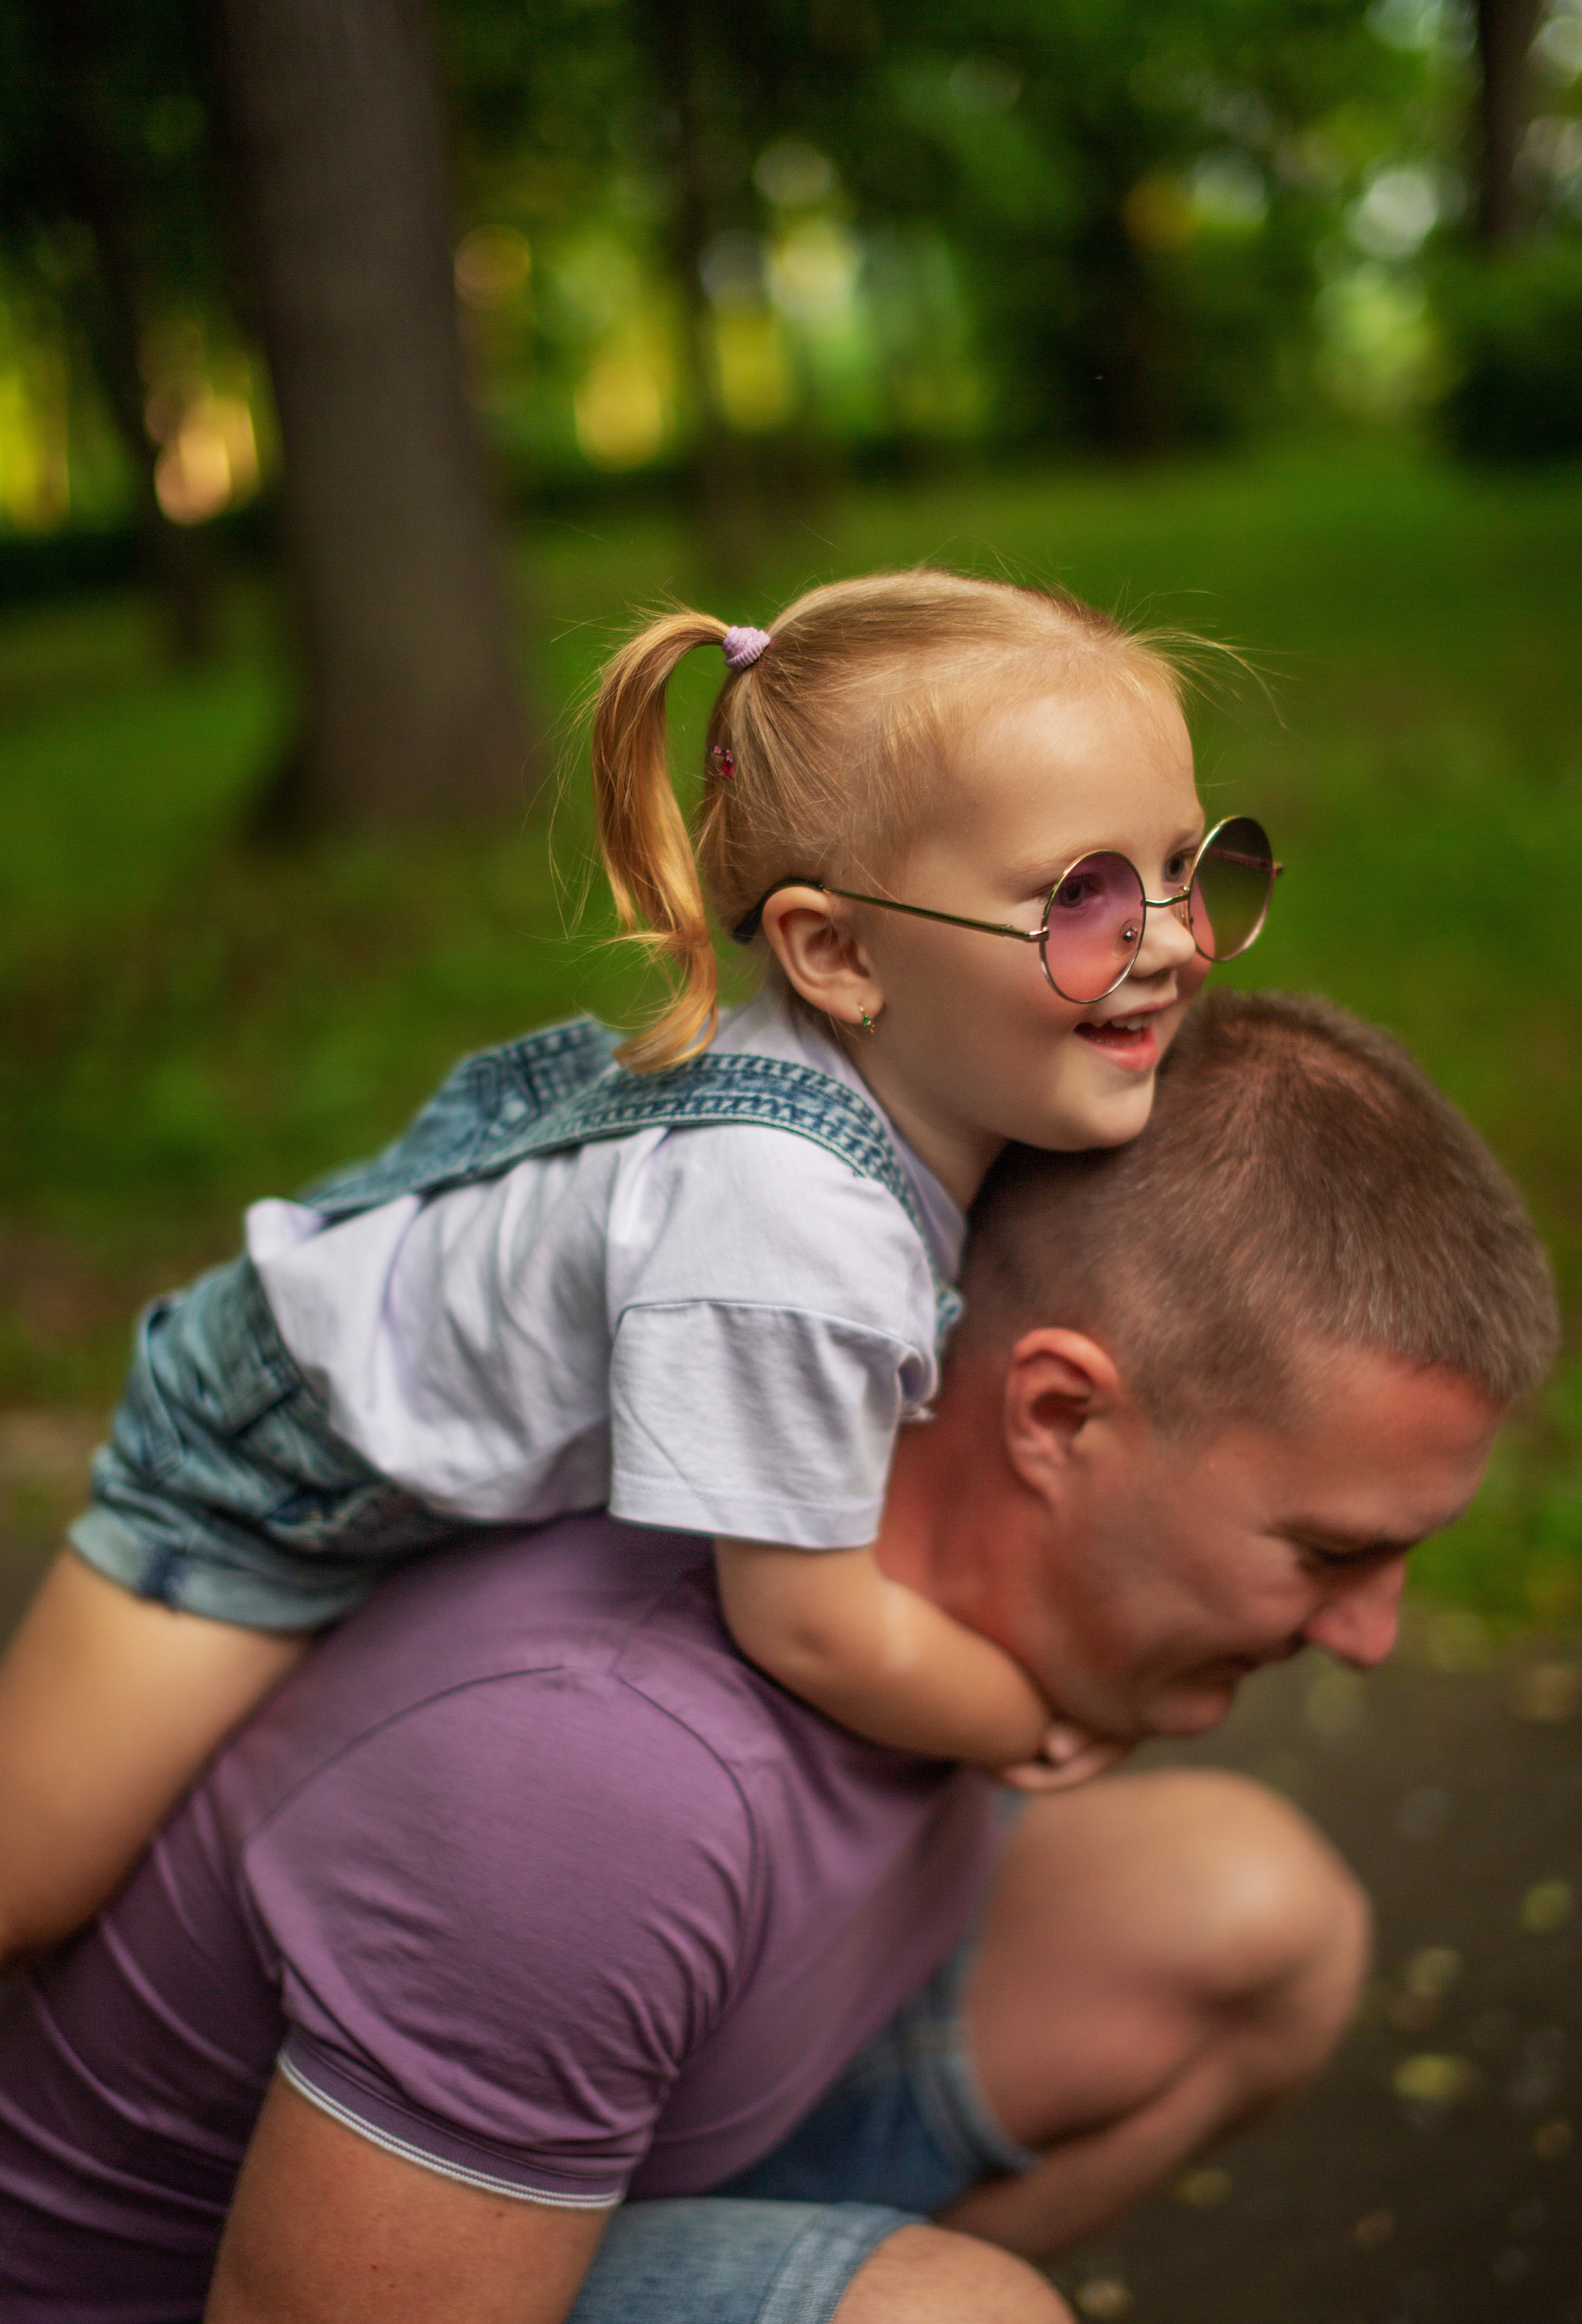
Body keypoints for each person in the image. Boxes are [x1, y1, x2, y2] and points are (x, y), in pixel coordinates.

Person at [0, 993, 1557, 2324]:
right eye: (1328, 1552)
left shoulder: (918, 1594)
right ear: (1056, 1416)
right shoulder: (601, 1775)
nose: (1370, 1636)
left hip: (623, 2128)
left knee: (1248, 1917)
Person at [0, 572, 1285, 1960]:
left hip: (395, 1400)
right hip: (265, 1481)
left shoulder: (919, 1084)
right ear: (835, 953)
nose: (1171, 940)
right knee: (27, 1887)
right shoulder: (789, 1230)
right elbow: (811, 1627)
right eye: (1081, 897)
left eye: (1183, 865)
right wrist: (1028, 1712)